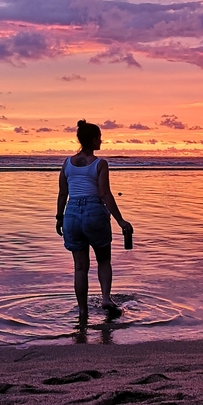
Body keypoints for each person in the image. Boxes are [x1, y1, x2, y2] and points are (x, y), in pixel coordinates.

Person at [56, 119, 134, 321]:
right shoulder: (100, 164)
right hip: (94, 212)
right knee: (103, 260)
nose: (101, 140)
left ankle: (83, 312)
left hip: (71, 214)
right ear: (92, 140)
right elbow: (105, 193)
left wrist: (59, 218)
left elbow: (63, 194)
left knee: (80, 267)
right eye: (99, 137)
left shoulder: (67, 163)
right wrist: (120, 220)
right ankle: (106, 298)